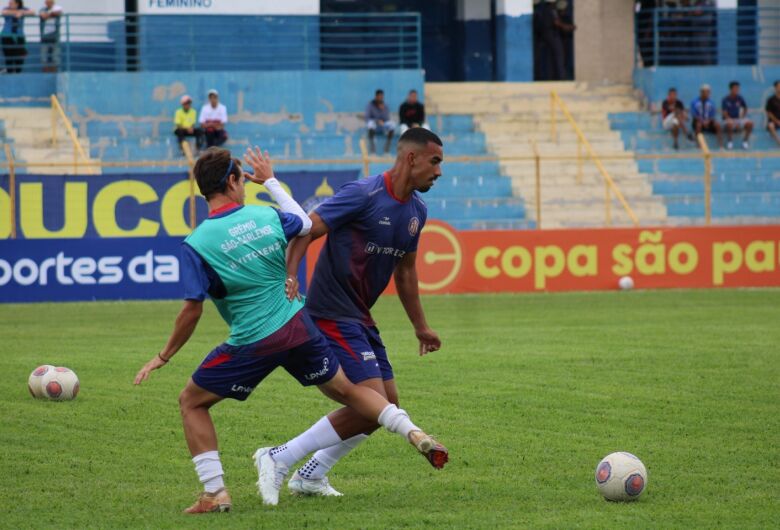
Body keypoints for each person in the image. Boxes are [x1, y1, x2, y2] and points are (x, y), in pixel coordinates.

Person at [133, 146, 446, 514]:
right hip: (299, 327)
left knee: (192, 401)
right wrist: (271, 182)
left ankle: (216, 492)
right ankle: (409, 430)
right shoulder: (265, 217)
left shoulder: (197, 244)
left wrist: (164, 355)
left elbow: (192, 309)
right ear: (234, 181)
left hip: (254, 340)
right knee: (351, 391)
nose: (245, 185)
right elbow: (303, 222)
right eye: (242, 179)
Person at [278, 127, 445, 497]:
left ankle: (311, 475)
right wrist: (290, 275)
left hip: (360, 316)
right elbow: (308, 228)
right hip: (330, 312)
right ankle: (281, 456)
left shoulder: (417, 211)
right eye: (435, 162)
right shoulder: (363, 193)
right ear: (411, 158)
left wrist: (421, 327)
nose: (439, 171)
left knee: (388, 404)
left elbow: (405, 271)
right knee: (376, 405)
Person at [1, 0, 34, 74]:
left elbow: (33, 12)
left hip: (19, 36)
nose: (9, 4)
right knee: (8, 56)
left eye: (11, 3)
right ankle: (10, 72)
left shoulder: (23, 9)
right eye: (9, 3)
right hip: (7, 35)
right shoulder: (7, 9)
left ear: (17, 4)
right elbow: (3, 12)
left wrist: (22, 12)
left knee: (19, 56)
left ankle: (18, 73)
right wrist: (16, 12)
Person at [721, 81, 753, 150]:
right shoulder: (725, 99)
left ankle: (745, 142)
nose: (737, 90)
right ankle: (730, 142)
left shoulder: (740, 98)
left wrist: (742, 117)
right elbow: (724, 112)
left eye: (738, 88)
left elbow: (745, 108)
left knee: (750, 124)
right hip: (728, 119)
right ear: (731, 89)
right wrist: (731, 120)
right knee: (729, 124)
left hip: (738, 119)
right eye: (735, 88)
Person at [691, 84, 723, 149]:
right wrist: (702, 121)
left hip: (708, 122)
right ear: (701, 92)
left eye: (708, 92)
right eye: (705, 92)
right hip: (698, 121)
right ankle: (698, 145)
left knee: (717, 125)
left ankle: (720, 145)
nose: (707, 94)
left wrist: (708, 121)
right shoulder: (694, 102)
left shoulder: (711, 102)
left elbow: (713, 114)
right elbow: (694, 114)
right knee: (698, 125)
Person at [365, 89, 396, 155]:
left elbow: (387, 119)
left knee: (392, 125)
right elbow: (367, 118)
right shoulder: (370, 105)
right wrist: (377, 121)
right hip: (374, 125)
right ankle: (372, 151)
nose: (381, 98)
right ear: (376, 96)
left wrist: (382, 110)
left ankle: (386, 149)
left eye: (382, 97)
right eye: (379, 96)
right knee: (370, 124)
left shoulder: (385, 106)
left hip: (383, 125)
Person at [38, 0, 62, 73]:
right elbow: (43, 16)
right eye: (47, 2)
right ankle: (45, 73)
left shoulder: (58, 8)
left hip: (55, 37)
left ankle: (55, 72)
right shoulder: (42, 9)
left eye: (50, 2)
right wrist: (51, 14)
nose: (49, 3)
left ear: (53, 2)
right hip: (44, 37)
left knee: (55, 57)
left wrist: (48, 14)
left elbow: (58, 12)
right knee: (43, 57)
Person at [765, 80, 780, 147]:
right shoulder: (771, 99)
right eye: (778, 86)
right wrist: (776, 121)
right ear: (775, 88)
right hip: (774, 121)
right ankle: (778, 141)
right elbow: (769, 112)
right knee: (771, 125)